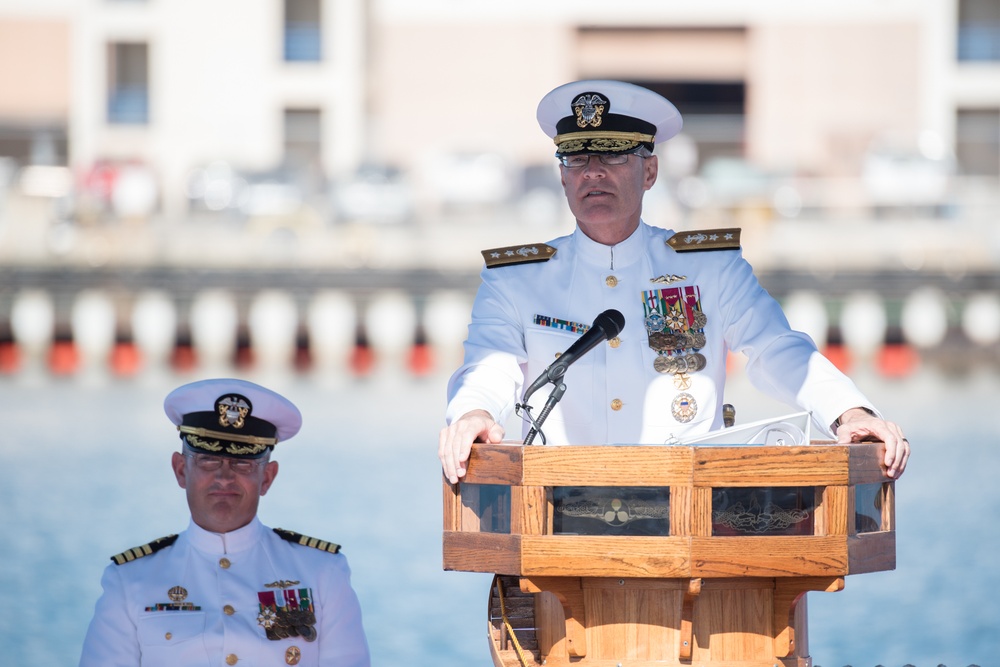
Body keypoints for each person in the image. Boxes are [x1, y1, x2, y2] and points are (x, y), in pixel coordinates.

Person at [439, 79, 909, 483]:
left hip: (685, 512)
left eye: (613, 156)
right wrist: (473, 413)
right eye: (577, 159)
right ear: (562, 177)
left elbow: (776, 349)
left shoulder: (710, 268)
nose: (594, 173)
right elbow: (489, 366)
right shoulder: (518, 281)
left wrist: (851, 412)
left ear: (650, 171)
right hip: (559, 512)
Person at [80, 378, 370, 667]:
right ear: (181, 470)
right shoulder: (130, 581)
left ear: (267, 478)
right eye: (208, 460)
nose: (224, 477)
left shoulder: (322, 573)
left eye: (242, 463)